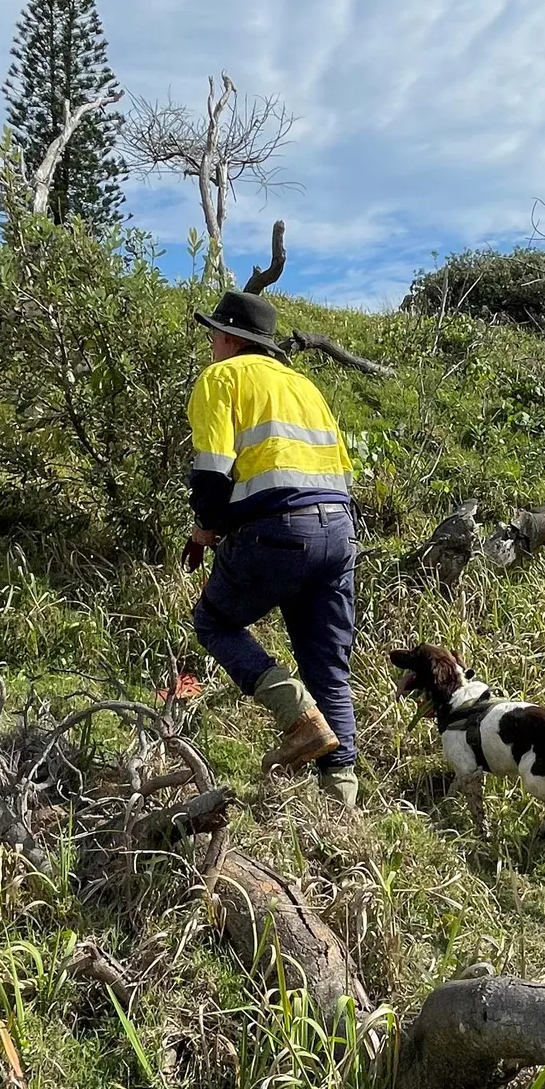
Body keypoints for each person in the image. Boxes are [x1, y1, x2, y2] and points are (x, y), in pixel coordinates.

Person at [183, 287, 360, 808]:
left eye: (215, 332)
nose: (212, 342)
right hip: (340, 529)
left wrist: (206, 527)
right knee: (328, 665)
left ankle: (296, 714)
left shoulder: (221, 377)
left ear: (231, 338)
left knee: (214, 622)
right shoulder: (305, 386)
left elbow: (213, 471)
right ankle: (341, 806)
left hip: (279, 531)